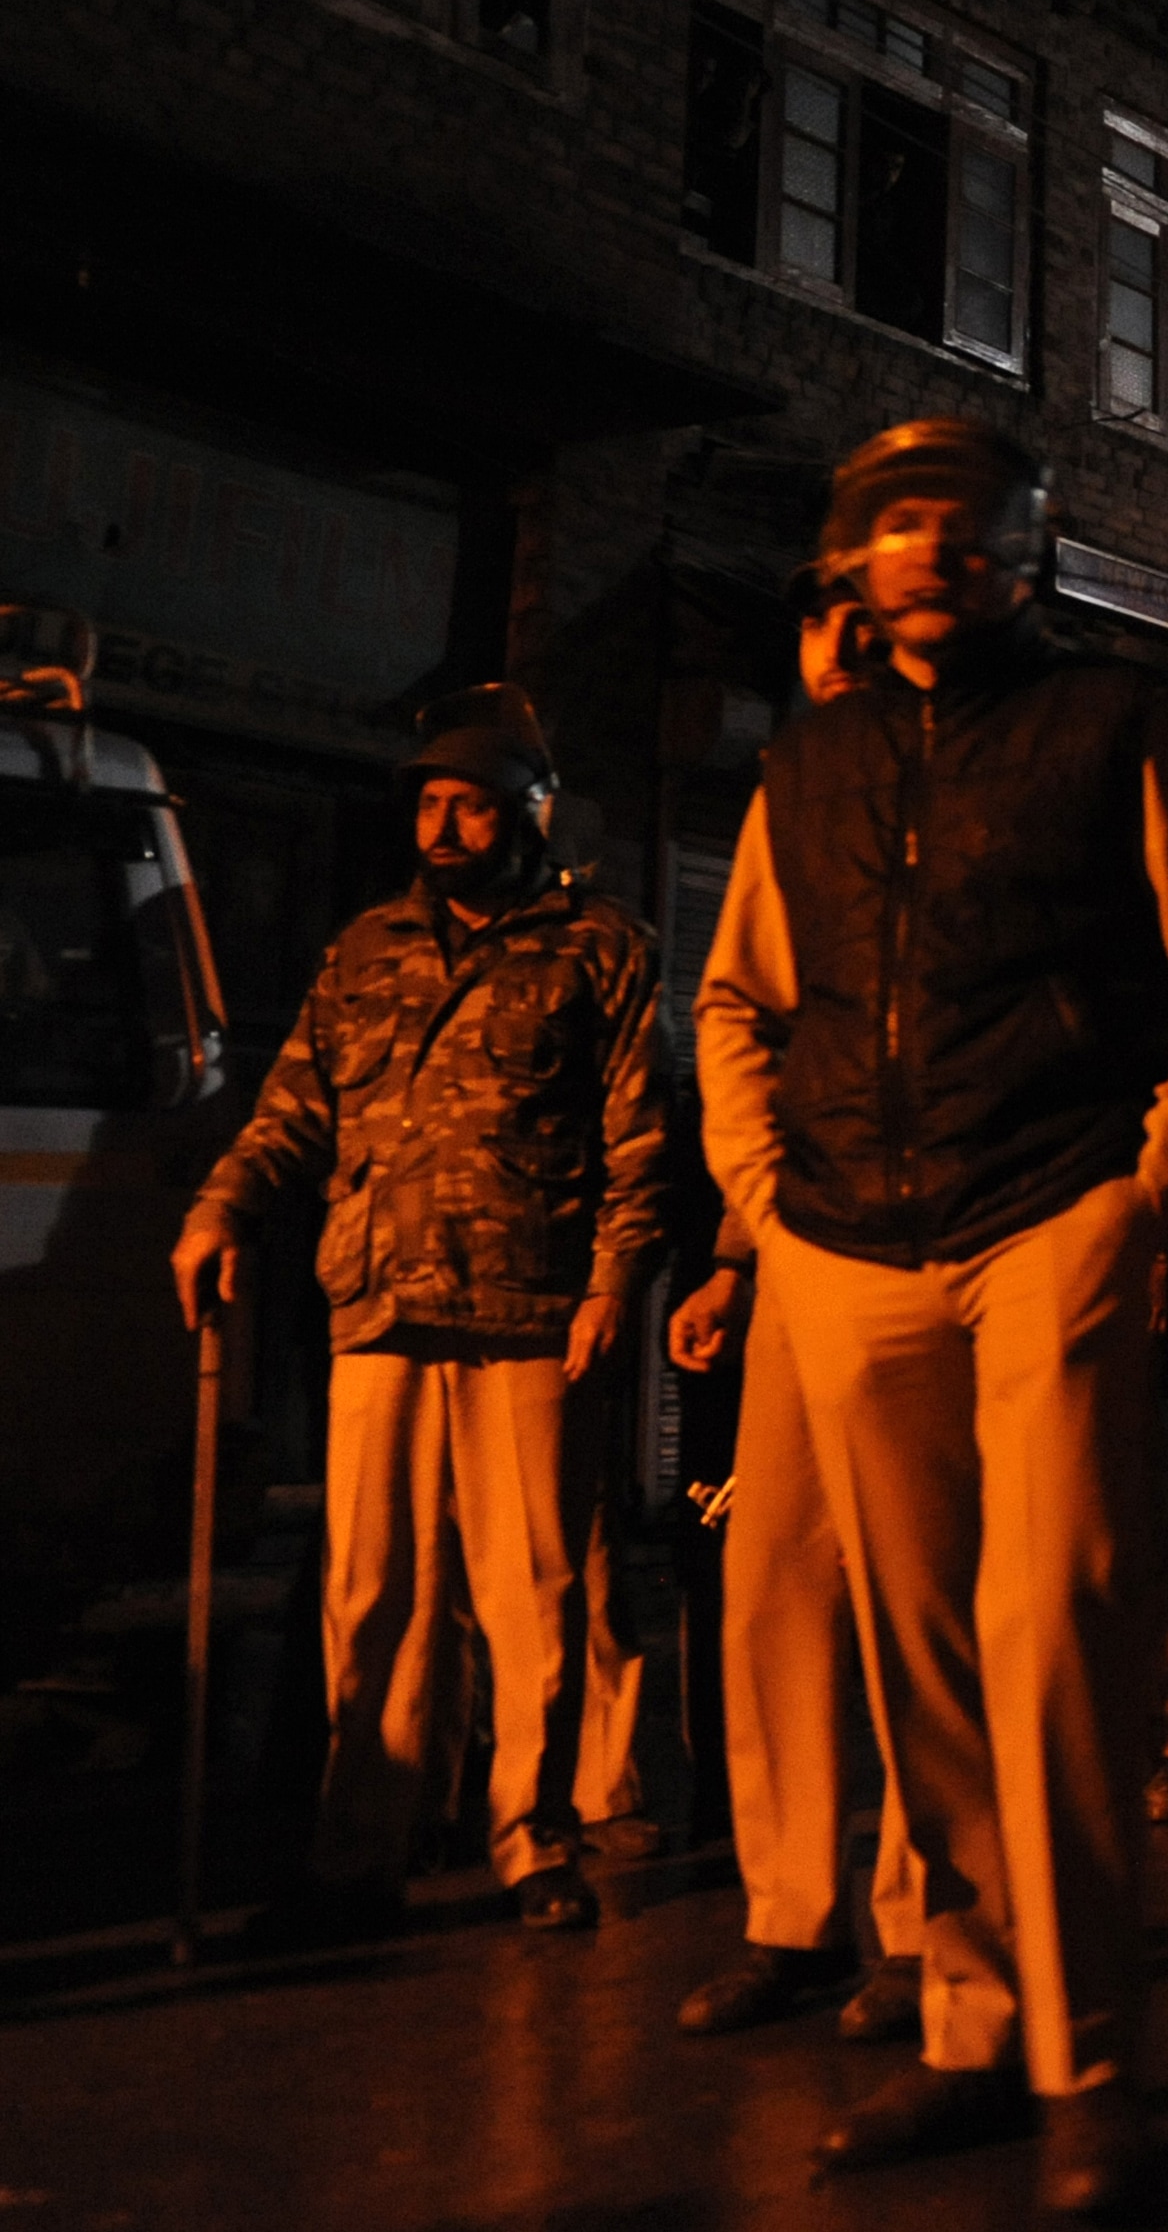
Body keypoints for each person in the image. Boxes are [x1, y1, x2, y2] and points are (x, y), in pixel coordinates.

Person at [692, 418, 1168, 2218]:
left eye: (962, 524)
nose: (927, 550)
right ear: (857, 559)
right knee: (922, 1660)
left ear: (1024, 548)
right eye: (895, 525)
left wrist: (1154, 1181)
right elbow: (740, 996)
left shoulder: (1115, 719)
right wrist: (769, 1213)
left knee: (1057, 1639)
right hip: (850, 1247)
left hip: (1050, 1217)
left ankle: (1090, 2067)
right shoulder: (808, 756)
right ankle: (970, 2027)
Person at [175, 687, 669, 1944]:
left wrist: (616, 1282)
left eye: (471, 805)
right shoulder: (363, 951)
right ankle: (359, 1856)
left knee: (534, 1590)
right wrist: (221, 1208)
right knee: (373, 1591)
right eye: (432, 805)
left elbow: (637, 1138)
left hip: (528, 1305)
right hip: (382, 1301)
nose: (444, 826)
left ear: (526, 817)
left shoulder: (598, 948)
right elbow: (293, 1108)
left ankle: (531, 1841)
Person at [669, 568, 926, 2042]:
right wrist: (739, 1238)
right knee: (778, 1575)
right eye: (821, 630)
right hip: (801, 1240)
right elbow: (745, 1011)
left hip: (948, 1241)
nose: (838, 657)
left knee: (916, 1592)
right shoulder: (789, 795)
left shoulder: (986, 774)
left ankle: (915, 1913)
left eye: (862, 632)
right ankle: (793, 1911)